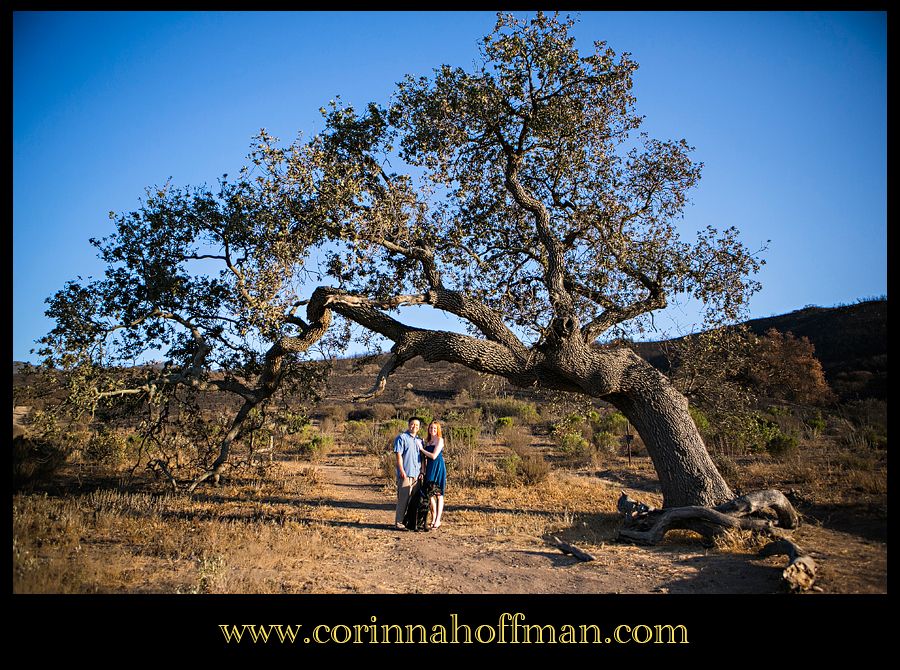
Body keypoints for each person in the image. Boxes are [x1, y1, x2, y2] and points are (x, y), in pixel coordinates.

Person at [393, 417, 423, 530]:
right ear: (408, 424)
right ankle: (399, 522)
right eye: (412, 424)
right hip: (406, 473)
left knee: (414, 500)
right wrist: (401, 471)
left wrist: (422, 472)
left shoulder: (420, 440)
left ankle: (411, 522)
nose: (414, 427)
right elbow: (399, 456)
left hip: (417, 474)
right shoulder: (402, 438)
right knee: (403, 499)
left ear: (419, 427)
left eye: (417, 425)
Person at [419, 420, 447, 529]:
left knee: (439, 494)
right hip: (429, 468)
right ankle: (433, 516)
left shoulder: (440, 440)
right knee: (428, 494)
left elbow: (434, 456)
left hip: (438, 467)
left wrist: (422, 449)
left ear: (438, 430)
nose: (432, 430)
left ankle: (438, 520)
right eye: (431, 428)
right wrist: (423, 470)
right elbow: (423, 458)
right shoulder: (428, 442)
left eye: (435, 428)